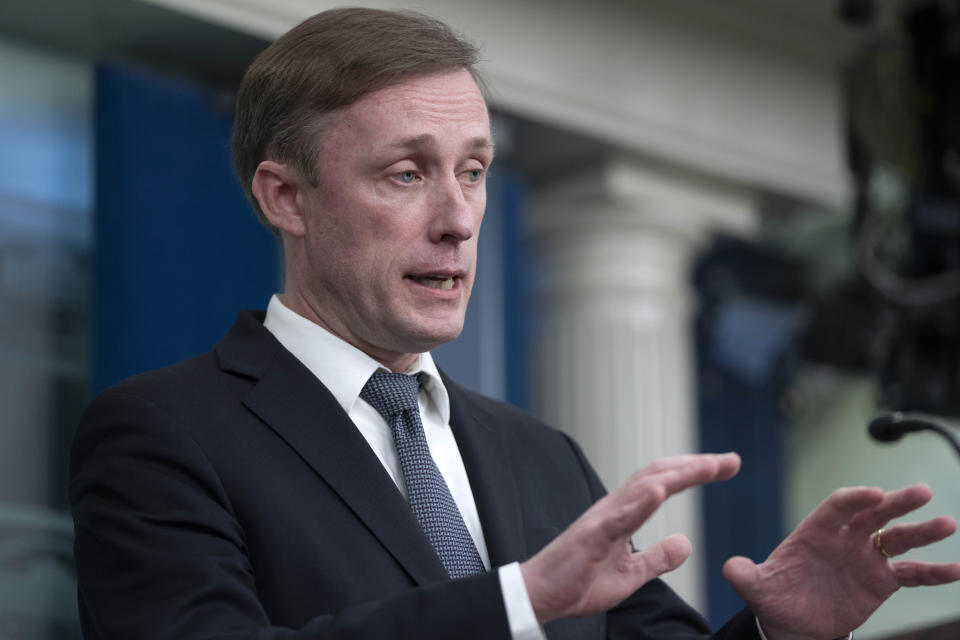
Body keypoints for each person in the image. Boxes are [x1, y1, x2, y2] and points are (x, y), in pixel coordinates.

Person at [69, 8, 960, 640]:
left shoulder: (540, 454)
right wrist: (518, 602)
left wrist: (781, 635)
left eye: (476, 170)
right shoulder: (163, 433)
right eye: (407, 174)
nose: (459, 218)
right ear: (286, 197)